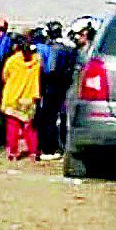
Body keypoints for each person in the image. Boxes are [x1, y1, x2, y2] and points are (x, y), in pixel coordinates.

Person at [36, 21, 76, 161]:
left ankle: (49, 148)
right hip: (64, 86)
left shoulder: (55, 49)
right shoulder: (69, 48)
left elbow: (51, 69)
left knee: (48, 118)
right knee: (60, 117)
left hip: (52, 86)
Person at [1, 35, 42, 161]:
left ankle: (13, 153)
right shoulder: (37, 60)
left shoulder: (12, 61)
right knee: (29, 127)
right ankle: (34, 152)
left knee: (12, 127)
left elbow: (5, 76)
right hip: (29, 97)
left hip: (13, 97)